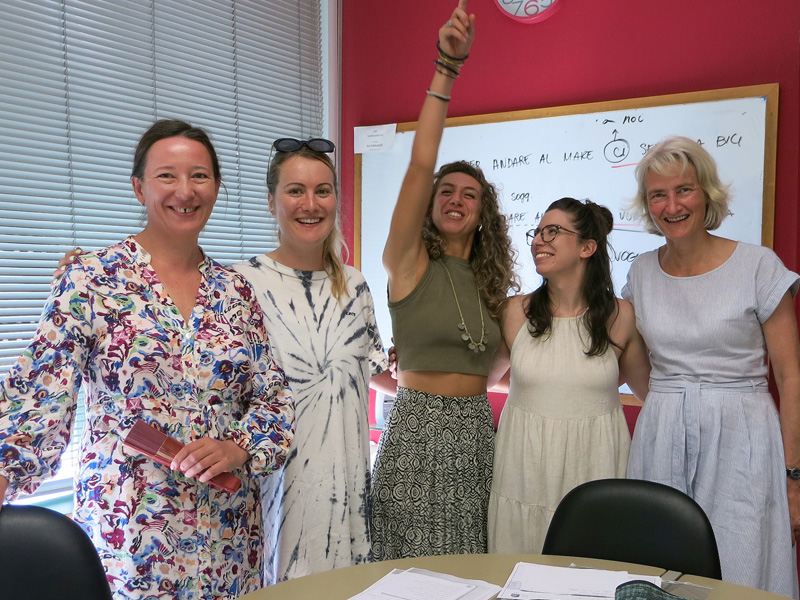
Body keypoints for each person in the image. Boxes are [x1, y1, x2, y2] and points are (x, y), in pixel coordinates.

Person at [0, 119, 294, 600]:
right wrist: (4, 474)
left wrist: (238, 446)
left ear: (216, 187)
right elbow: (39, 394)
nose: (185, 191)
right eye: (166, 176)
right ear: (139, 188)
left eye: (199, 175)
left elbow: (273, 400)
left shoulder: (236, 293)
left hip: (227, 536)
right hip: (131, 534)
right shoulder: (92, 280)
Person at [372, 0, 518, 560]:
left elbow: (497, 365)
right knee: (407, 571)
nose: (456, 199)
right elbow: (418, 163)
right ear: (430, 204)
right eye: (446, 191)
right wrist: (446, 67)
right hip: (416, 428)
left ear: (483, 214)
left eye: (470, 195)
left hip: (476, 432)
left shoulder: (491, 287)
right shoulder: (407, 263)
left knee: (470, 568)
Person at [622, 135, 800, 596]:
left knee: (741, 564)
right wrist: (666, 405)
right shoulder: (641, 272)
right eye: (658, 194)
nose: (671, 205)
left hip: (743, 436)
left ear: (707, 194)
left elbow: (791, 375)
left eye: (683, 189)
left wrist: (795, 477)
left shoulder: (758, 266)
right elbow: (636, 363)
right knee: (659, 565)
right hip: (661, 434)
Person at [231, 138, 391, 584]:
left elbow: (375, 372)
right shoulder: (238, 284)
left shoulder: (355, 286)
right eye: (295, 190)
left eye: (323, 190)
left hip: (348, 500)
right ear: (270, 201)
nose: (310, 203)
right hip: (274, 500)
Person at [487, 197, 650, 554]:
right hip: (524, 470)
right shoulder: (515, 312)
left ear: (587, 247)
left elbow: (651, 393)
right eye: (537, 232)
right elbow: (482, 380)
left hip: (594, 468)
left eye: (553, 231)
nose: (538, 241)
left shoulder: (620, 316)